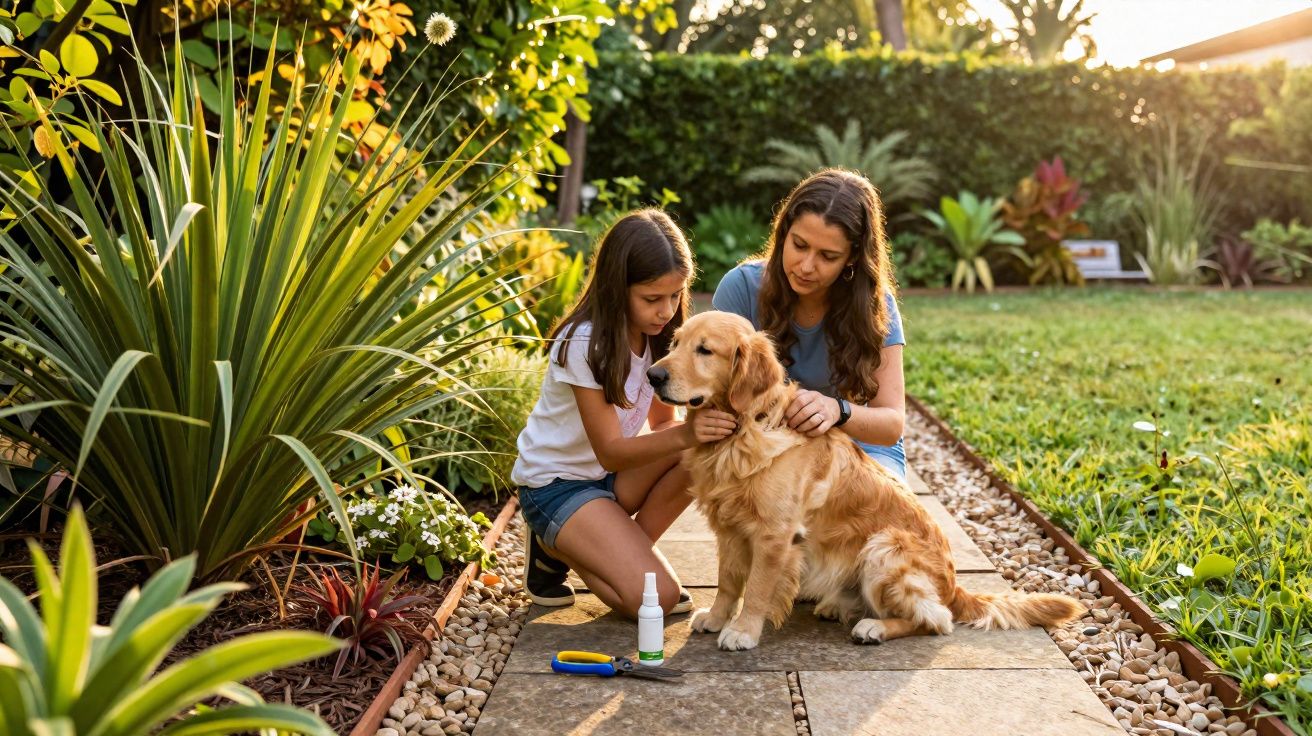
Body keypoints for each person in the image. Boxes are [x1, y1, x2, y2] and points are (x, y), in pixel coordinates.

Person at [511, 209, 738, 617]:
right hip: (557, 486)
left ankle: (622, 550)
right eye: (652, 299)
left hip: (606, 483)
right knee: (656, 602)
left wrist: (692, 434)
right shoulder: (585, 342)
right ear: (618, 289)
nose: (667, 310)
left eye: (676, 295)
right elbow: (612, 452)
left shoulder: (658, 333)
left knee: (699, 455)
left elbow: (664, 425)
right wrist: (689, 433)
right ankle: (551, 544)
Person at [712, 168, 907, 478]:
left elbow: (891, 424)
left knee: (873, 513)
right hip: (765, 444)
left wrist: (837, 410)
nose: (806, 267)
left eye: (828, 256)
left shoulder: (877, 305)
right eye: (799, 245)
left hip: (856, 446)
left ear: (852, 257)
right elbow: (717, 397)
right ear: (783, 232)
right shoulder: (741, 289)